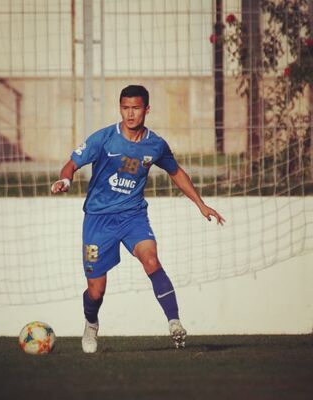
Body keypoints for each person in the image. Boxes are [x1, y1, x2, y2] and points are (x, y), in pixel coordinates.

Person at [51, 85, 225, 353]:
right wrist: (65, 180)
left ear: (147, 109)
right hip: (98, 218)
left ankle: (174, 322)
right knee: (96, 290)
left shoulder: (155, 145)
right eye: (125, 108)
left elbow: (176, 172)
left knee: (151, 259)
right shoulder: (104, 138)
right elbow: (72, 163)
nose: (130, 114)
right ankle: (91, 323)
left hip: (133, 216)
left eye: (136, 108)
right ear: (120, 108)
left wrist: (200, 204)